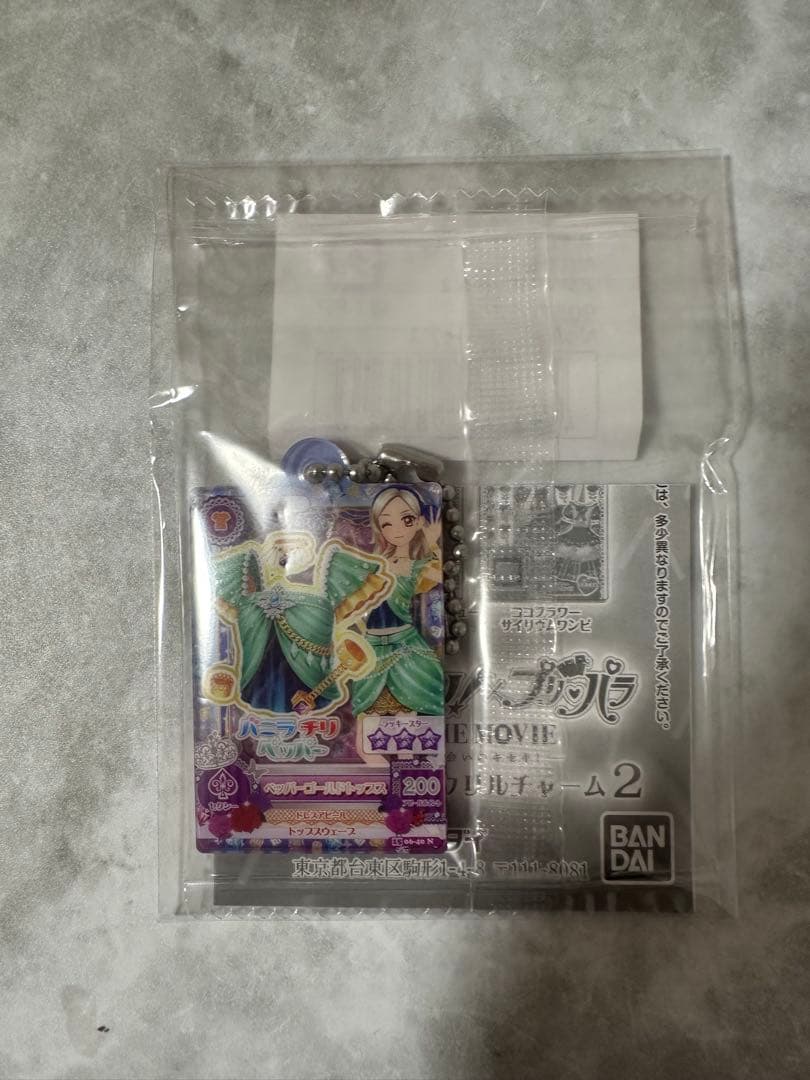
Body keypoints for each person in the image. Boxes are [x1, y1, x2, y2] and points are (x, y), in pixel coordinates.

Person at [351, 487, 445, 717]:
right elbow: (358, 599)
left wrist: (432, 543)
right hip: (371, 644)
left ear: (419, 522)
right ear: (379, 527)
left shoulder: (418, 566)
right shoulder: (375, 563)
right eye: (387, 524)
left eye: (407, 520)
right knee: (366, 710)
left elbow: (437, 575)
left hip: (404, 642)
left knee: (418, 701)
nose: (397, 530)